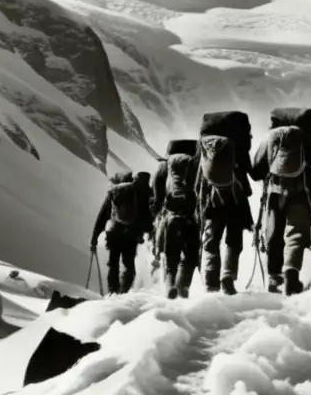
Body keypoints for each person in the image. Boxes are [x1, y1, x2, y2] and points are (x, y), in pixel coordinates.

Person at [249, 107, 311, 295]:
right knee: (296, 234)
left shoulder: (270, 139)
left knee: (274, 234)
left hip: (274, 195)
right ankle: (291, 274)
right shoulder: (309, 141)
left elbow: (255, 171)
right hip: (301, 194)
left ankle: (274, 278)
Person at [197, 111, 254, 294]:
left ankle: (211, 281)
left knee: (212, 240)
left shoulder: (205, 145)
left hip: (212, 200)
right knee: (233, 239)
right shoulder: (237, 145)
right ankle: (227, 277)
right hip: (236, 197)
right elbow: (249, 170)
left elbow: (199, 173)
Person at [151, 139, 201, 299]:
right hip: (191, 217)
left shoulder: (163, 166)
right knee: (190, 256)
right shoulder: (196, 163)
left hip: (171, 217)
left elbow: (157, 196)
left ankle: (171, 285)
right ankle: (183, 288)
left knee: (171, 254)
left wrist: (156, 213)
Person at [90, 171, 143, 294]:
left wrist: (94, 238)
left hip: (114, 233)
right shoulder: (135, 192)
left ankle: (113, 291)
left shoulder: (113, 193)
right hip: (131, 234)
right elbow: (142, 214)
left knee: (113, 263)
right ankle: (124, 291)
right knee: (128, 264)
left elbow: (102, 216)